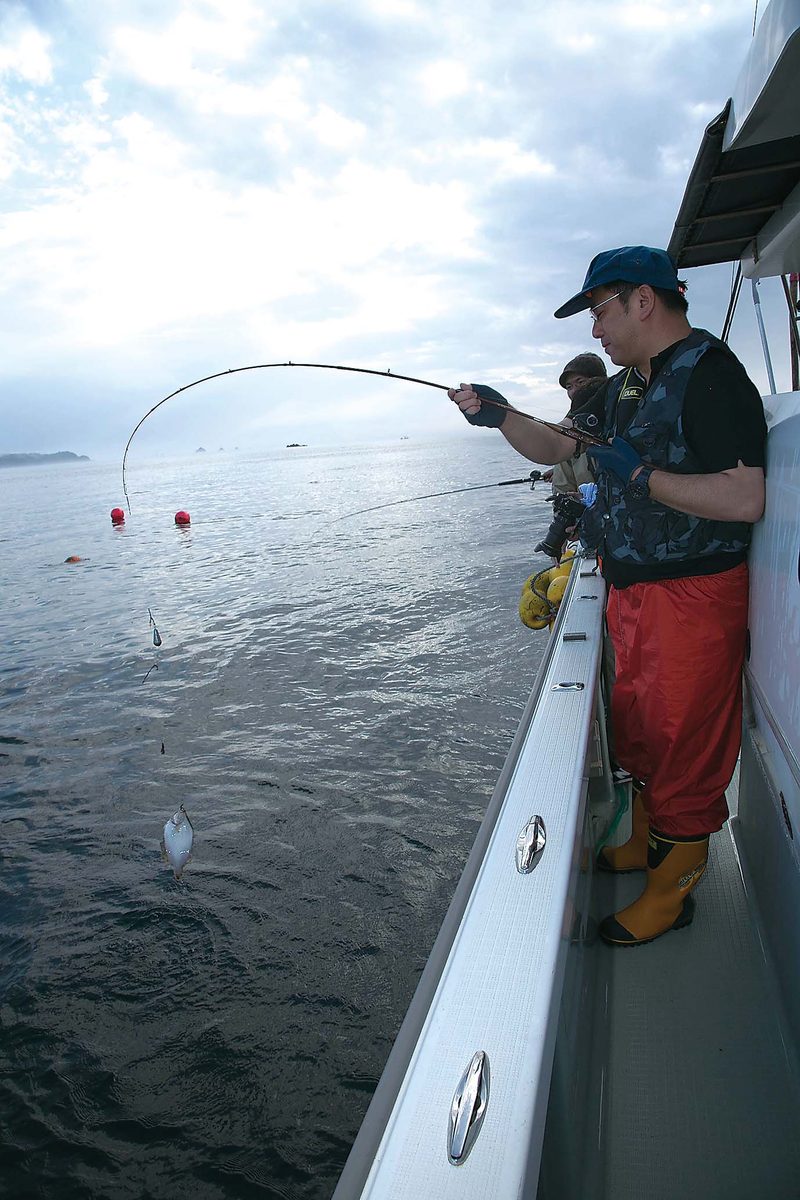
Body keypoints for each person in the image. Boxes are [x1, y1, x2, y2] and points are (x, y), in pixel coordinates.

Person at [449, 245, 767, 947]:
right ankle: (647, 842)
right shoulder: (622, 388)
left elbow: (744, 498)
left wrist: (643, 477)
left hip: (694, 596)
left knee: (684, 739)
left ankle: (672, 891)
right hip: (633, 590)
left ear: (643, 301)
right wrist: (500, 415)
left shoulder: (712, 379)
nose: (595, 331)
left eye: (600, 311)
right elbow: (553, 446)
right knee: (642, 732)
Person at [549, 353, 607, 494]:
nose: (574, 391)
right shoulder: (567, 431)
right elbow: (562, 488)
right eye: (569, 387)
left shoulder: (624, 416)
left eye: (580, 382)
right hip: (589, 514)